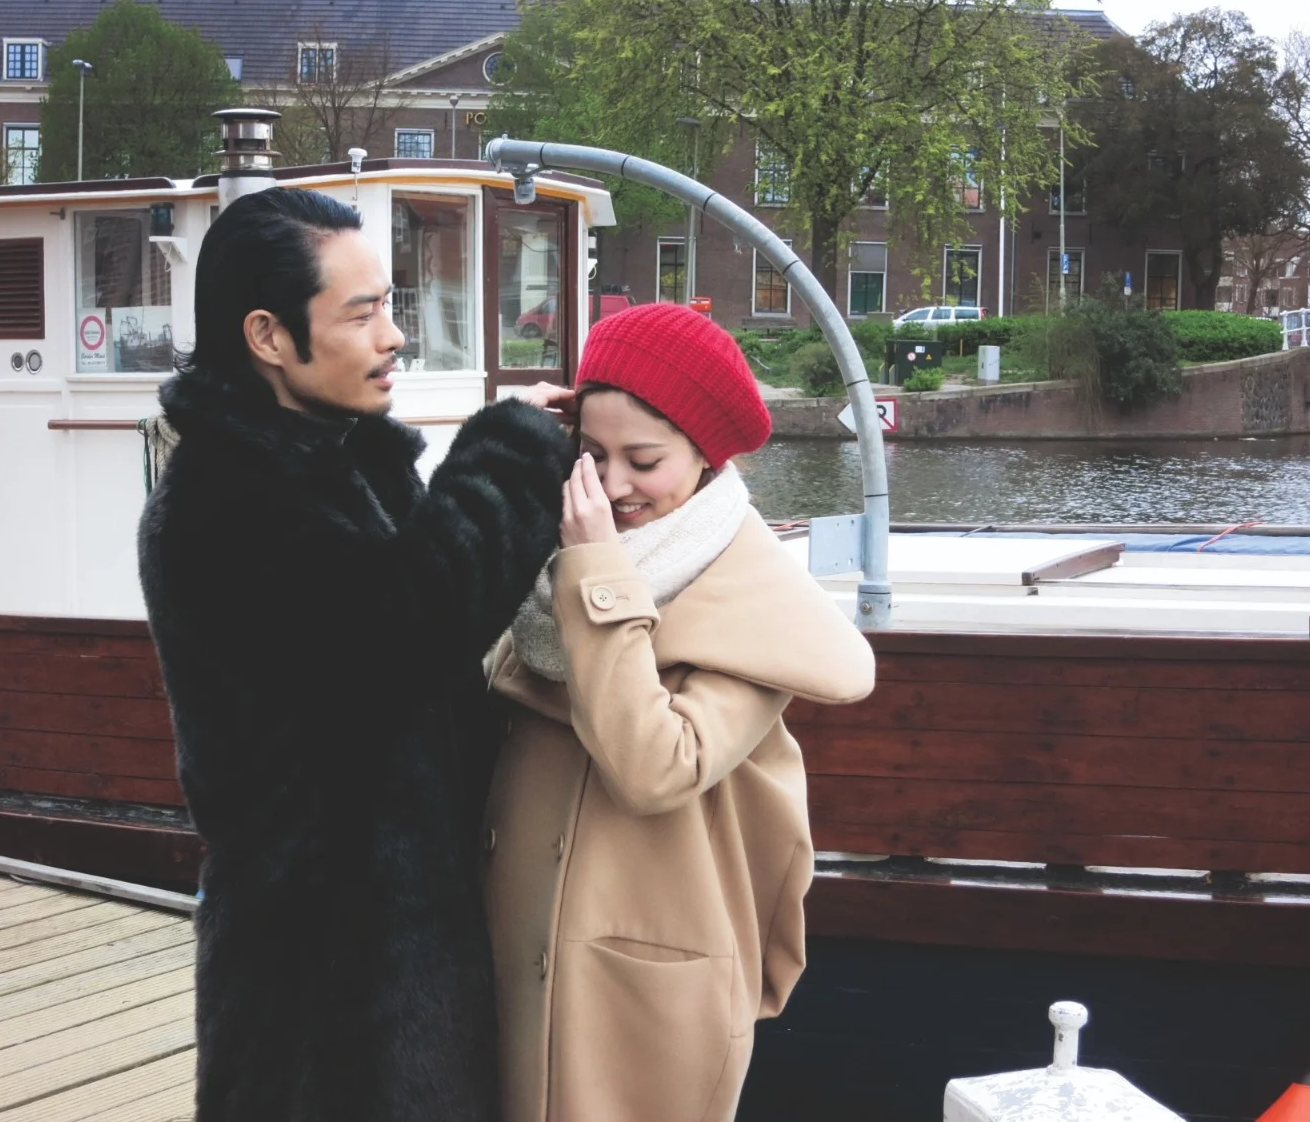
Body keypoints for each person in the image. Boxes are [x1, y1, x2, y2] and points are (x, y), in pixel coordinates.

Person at [137, 187, 573, 1121]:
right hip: (324, 986)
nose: (394, 336)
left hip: (398, 948)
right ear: (267, 335)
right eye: (361, 313)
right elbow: (409, 629)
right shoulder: (223, 507)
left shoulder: (330, 464)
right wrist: (512, 451)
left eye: (391, 307)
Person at [482, 302, 877, 1121]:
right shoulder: (552, 561)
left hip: (640, 1000)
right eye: (592, 454)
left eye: (645, 460)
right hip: (509, 970)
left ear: (705, 455)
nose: (613, 486)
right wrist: (505, 451)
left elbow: (654, 769)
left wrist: (596, 571)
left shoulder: (752, 603)